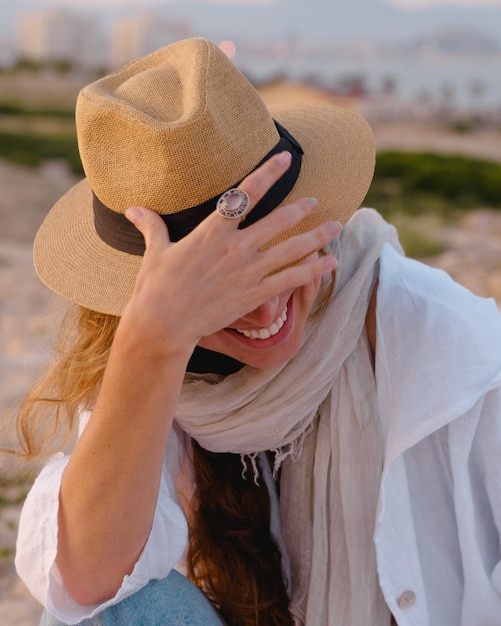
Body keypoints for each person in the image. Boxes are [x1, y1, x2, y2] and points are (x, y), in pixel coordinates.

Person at [11, 36, 501, 626]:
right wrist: (153, 344)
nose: (262, 308)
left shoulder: (464, 353)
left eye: (270, 253)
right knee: (110, 609)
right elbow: (85, 577)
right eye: (219, 284)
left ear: (312, 223)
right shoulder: (161, 355)